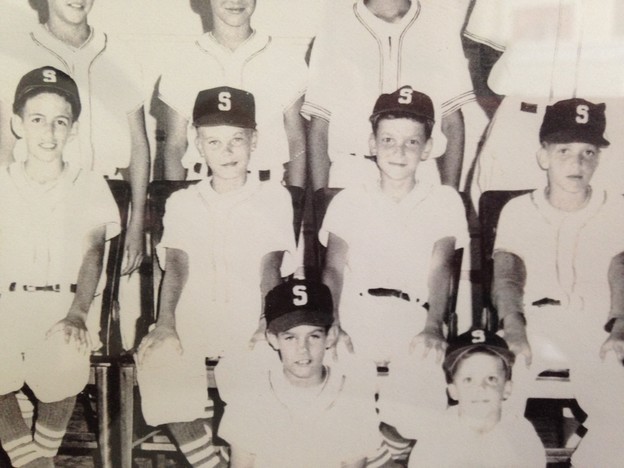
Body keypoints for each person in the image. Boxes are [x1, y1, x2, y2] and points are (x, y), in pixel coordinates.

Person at [135, 86, 296, 468]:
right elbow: (176, 266)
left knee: (264, 368)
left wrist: (266, 321)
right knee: (159, 359)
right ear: (198, 145)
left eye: (237, 139)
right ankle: (210, 463)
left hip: (249, 316)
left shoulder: (273, 197)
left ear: (254, 141)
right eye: (214, 141)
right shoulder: (182, 202)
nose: (227, 151)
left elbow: (270, 268)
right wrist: (165, 323)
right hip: (193, 316)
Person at [320, 86, 469, 441]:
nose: (399, 152)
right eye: (388, 140)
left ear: (428, 148)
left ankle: (391, 446)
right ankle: (373, 450)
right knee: (341, 398)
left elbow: (441, 269)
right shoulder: (349, 199)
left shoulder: (444, 200)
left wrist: (433, 326)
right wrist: (333, 321)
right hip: (355, 312)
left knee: (421, 398)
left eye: (411, 142)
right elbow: (333, 270)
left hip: (414, 314)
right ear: (372, 144)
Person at [0, 0, 150, 348]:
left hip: (107, 199)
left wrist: (137, 223)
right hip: (35, 195)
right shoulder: (15, 52)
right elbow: (5, 146)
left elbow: (139, 144)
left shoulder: (121, 54)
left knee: (106, 323)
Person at [492, 98, 624, 467]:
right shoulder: (518, 210)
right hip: (535, 327)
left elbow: (622, 271)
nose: (576, 163)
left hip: (597, 329)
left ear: (598, 160)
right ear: (543, 156)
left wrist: (620, 330)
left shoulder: (617, 208)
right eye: (564, 150)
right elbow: (507, 276)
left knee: (616, 404)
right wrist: (513, 329)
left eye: (588, 153)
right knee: (499, 389)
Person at [0, 66, 120, 467]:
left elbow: (92, 254)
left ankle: (38, 458)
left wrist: (77, 313)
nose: (48, 132)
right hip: (7, 302)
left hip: (65, 304)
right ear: (18, 124)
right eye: (37, 119)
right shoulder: (3, 182)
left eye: (60, 122)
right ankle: (35, 461)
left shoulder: (89, 184)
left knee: (67, 350)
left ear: (74, 129)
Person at [303, 0, 474, 191]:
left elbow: (452, 123)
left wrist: (450, 195)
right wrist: (321, 198)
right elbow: (319, 126)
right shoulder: (335, 27)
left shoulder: (438, 26)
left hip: (421, 172)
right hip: (353, 171)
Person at [464, 0, 624, 203]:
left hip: (605, 127)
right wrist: (514, 108)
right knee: (503, 214)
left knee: (606, 217)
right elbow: (485, 50)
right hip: (525, 120)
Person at [218, 279, 388, 468]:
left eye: (314, 336)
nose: (303, 349)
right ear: (273, 339)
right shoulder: (252, 395)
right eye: (290, 338)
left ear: (330, 336)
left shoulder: (352, 398)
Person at [158, 0, 307, 186]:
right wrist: (174, 197)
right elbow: (175, 145)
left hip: (267, 185)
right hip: (201, 184)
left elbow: (296, 139)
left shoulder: (284, 58)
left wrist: (295, 196)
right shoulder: (183, 60)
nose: (236, 1)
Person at [389, 329, 546, 467]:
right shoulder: (436, 435)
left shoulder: (520, 433)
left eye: (491, 378)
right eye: (468, 380)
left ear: (507, 388)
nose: (480, 388)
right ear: (453, 391)